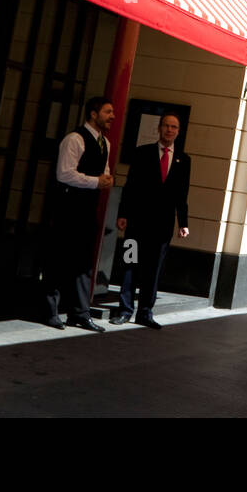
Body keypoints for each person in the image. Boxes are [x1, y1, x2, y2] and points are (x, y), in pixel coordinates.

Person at [110, 111, 190, 329]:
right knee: (129, 265)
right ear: (159, 128)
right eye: (166, 125)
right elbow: (130, 186)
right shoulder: (142, 153)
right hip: (135, 224)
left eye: (174, 127)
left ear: (178, 132)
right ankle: (125, 310)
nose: (169, 130)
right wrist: (123, 214)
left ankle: (145, 312)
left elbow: (182, 195)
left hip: (162, 227)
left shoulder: (184, 160)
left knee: (152, 271)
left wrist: (183, 223)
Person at [43, 96, 115, 331]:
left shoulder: (105, 143)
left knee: (83, 262)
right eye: (107, 112)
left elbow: (103, 171)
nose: (112, 116)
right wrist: (96, 182)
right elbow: (64, 174)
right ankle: (49, 311)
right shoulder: (74, 139)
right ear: (93, 114)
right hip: (68, 208)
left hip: (87, 209)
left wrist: (104, 179)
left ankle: (80, 313)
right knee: (59, 259)